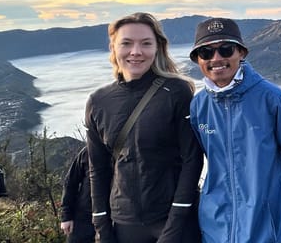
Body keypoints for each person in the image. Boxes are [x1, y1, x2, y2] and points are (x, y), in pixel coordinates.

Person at [188, 17, 281, 242]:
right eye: (206, 52)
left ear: (241, 53)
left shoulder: (272, 98)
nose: (216, 58)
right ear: (198, 59)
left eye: (226, 49)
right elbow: (207, 154)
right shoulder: (199, 105)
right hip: (214, 222)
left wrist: (265, 181)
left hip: (263, 223)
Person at [86, 12, 203, 243]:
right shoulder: (98, 101)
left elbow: (192, 159)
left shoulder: (176, 92)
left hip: (173, 220)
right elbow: (97, 169)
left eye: (146, 43)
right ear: (113, 48)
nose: (136, 51)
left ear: (158, 48)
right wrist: (102, 227)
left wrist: (175, 225)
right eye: (126, 43)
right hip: (124, 222)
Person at [59, 146, 93, 243]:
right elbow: (70, 183)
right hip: (83, 218)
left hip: (114, 219)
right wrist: (66, 216)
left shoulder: (124, 151)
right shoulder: (88, 152)